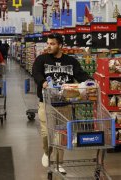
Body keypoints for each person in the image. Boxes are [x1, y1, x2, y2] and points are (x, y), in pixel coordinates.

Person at [32, 33, 92, 173]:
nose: (49, 46)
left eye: (52, 44)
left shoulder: (70, 61)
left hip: (64, 103)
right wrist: (43, 82)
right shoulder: (42, 59)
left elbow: (80, 73)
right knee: (47, 132)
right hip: (46, 102)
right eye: (48, 43)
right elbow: (36, 73)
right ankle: (47, 152)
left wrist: (89, 80)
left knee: (61, 135)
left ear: (60, 45)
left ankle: (59, 162)